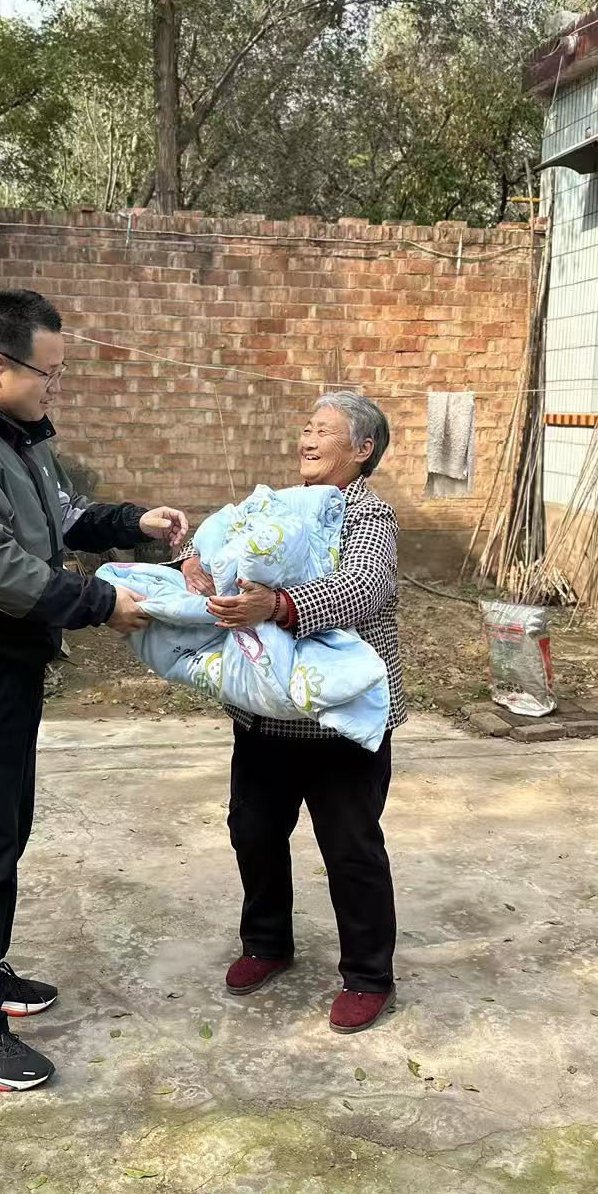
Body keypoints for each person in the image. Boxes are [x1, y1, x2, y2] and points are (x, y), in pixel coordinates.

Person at [0, 289, 189, 1091]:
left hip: (4, 662)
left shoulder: (13, 436)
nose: (56, 387)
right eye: (47, 373)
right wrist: (100, 603)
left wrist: (133, 522)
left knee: (5, 827)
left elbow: (59, 518)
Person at [181, 391, 404, 1034]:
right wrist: (193, 559)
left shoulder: (370, 514)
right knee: (252, 829)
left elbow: (361, 588)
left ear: (362, 449)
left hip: (339, 717)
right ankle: (267, 943)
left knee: (350, 846)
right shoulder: (280, 504)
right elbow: (222, 538)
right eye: (306, 427)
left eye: (324, 430)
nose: (307, 438)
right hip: (267, 710)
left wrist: (278, 606)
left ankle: (368, 975)